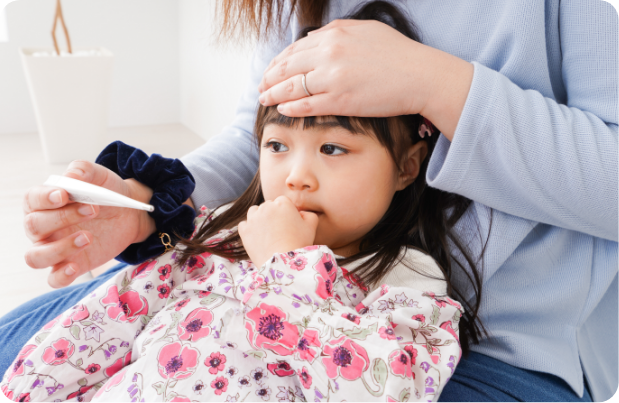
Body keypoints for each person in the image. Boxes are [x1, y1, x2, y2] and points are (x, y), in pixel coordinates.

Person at [4, 0, 619, 402]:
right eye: (284, 150)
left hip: (497, 350)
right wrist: (148, 203)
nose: (295, 178)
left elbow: (376, 386)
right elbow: (264, 125)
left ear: (411, 165)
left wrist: (435, 84)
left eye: (333, 151)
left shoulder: (412, 289)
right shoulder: (220, 240)